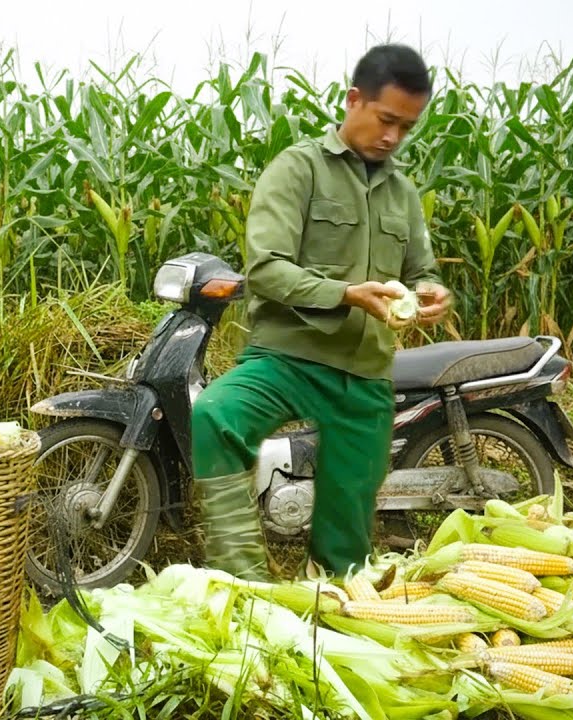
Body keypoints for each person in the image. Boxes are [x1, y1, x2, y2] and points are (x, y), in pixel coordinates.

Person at [190, 43, 453, 582]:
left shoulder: (403, 193)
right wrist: (347, 293)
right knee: (216, 415)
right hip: (288, 357)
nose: (393, 137)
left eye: (407, 127)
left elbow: (422, 267)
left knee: (347, 554)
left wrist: (431, 292)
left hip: (365, 378)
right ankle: (243, 581)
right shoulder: (298, 169)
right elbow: (265, 269)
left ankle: (330, 604)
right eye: (386, 120)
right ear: (354, 99)